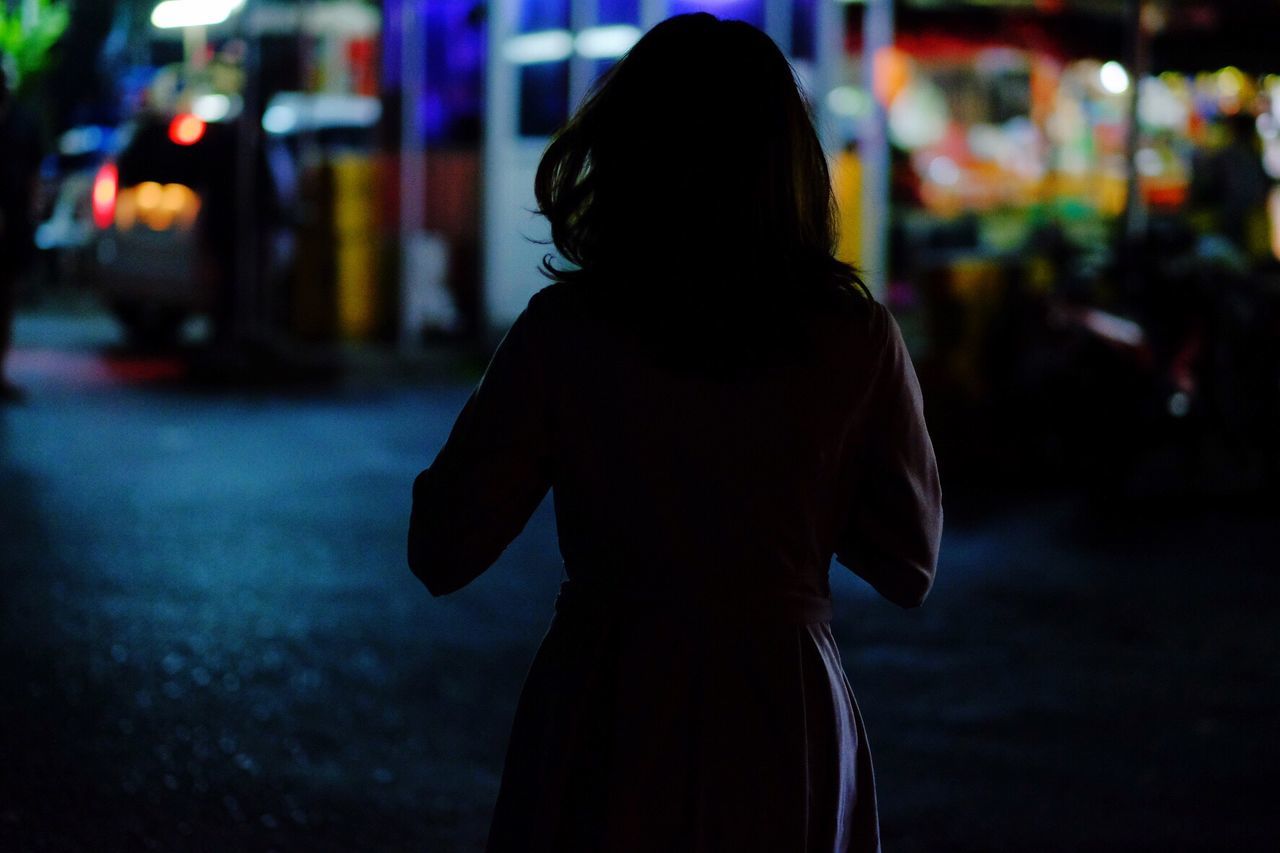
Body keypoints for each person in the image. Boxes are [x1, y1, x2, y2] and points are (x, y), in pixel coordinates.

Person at [407, 14, 942, 853]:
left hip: (609, 699)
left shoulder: (567, 329)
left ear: (626, 154)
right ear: (791, 166)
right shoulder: (853, 337)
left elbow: (442, 546)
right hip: (783, 710)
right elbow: (910, 562)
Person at [0, 60, 42, 402]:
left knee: (6, 300)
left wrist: (31, 212)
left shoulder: (22, 122)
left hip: (11, 224)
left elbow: (33, 174)